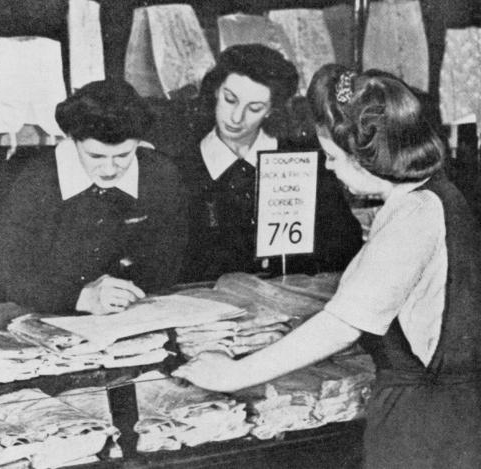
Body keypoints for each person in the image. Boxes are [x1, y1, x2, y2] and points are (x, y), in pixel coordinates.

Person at [174, 65, 481, 468]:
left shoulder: (416, 215)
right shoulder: (432, 194)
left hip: (425, 422)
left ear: (369, 155)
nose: (330, 168)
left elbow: (341, 326)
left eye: (334, 157)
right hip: (445, 411)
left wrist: (230, 374)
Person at [0, 79, 188, 315]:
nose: (109, 169)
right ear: (74, 141)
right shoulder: (36, 181)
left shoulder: (161, 175)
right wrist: (78, 298)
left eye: (123, 155)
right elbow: (8, 272)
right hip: (52, 316)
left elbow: (169, 260)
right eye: (96, 156)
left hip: (136, 314)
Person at [178, 44, 362, 281]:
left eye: (254, 108)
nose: (236, 117)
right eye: (230, 99)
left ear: (271, 110)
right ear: (215, 92)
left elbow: (345, 246)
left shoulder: (301, 162)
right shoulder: (184, 168)